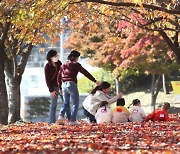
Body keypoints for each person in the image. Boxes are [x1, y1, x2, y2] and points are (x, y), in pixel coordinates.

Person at [57, 50, 99, 125]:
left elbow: (59, 77)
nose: (78, 59)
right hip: (71, 84)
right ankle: (72, 121)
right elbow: (85, 72)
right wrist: (94, 80)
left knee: (66, 103)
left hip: (64, 85)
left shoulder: (64, 65)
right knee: (76, 103)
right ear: (76, 57)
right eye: (78, 57)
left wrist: (60, 87)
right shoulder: (76, 64)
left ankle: (61, 116)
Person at [44, 50, 62, 124]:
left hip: (61, 86)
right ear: (50, 57)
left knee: (66, 103)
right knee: (53, 105)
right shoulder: (47, 66)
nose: (56, 57)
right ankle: (51, 121)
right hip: (53, 87)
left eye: (56, 55)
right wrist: (51, 90)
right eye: (55, 56)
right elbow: (47, 80)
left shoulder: (59, 63)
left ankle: (69, 119)